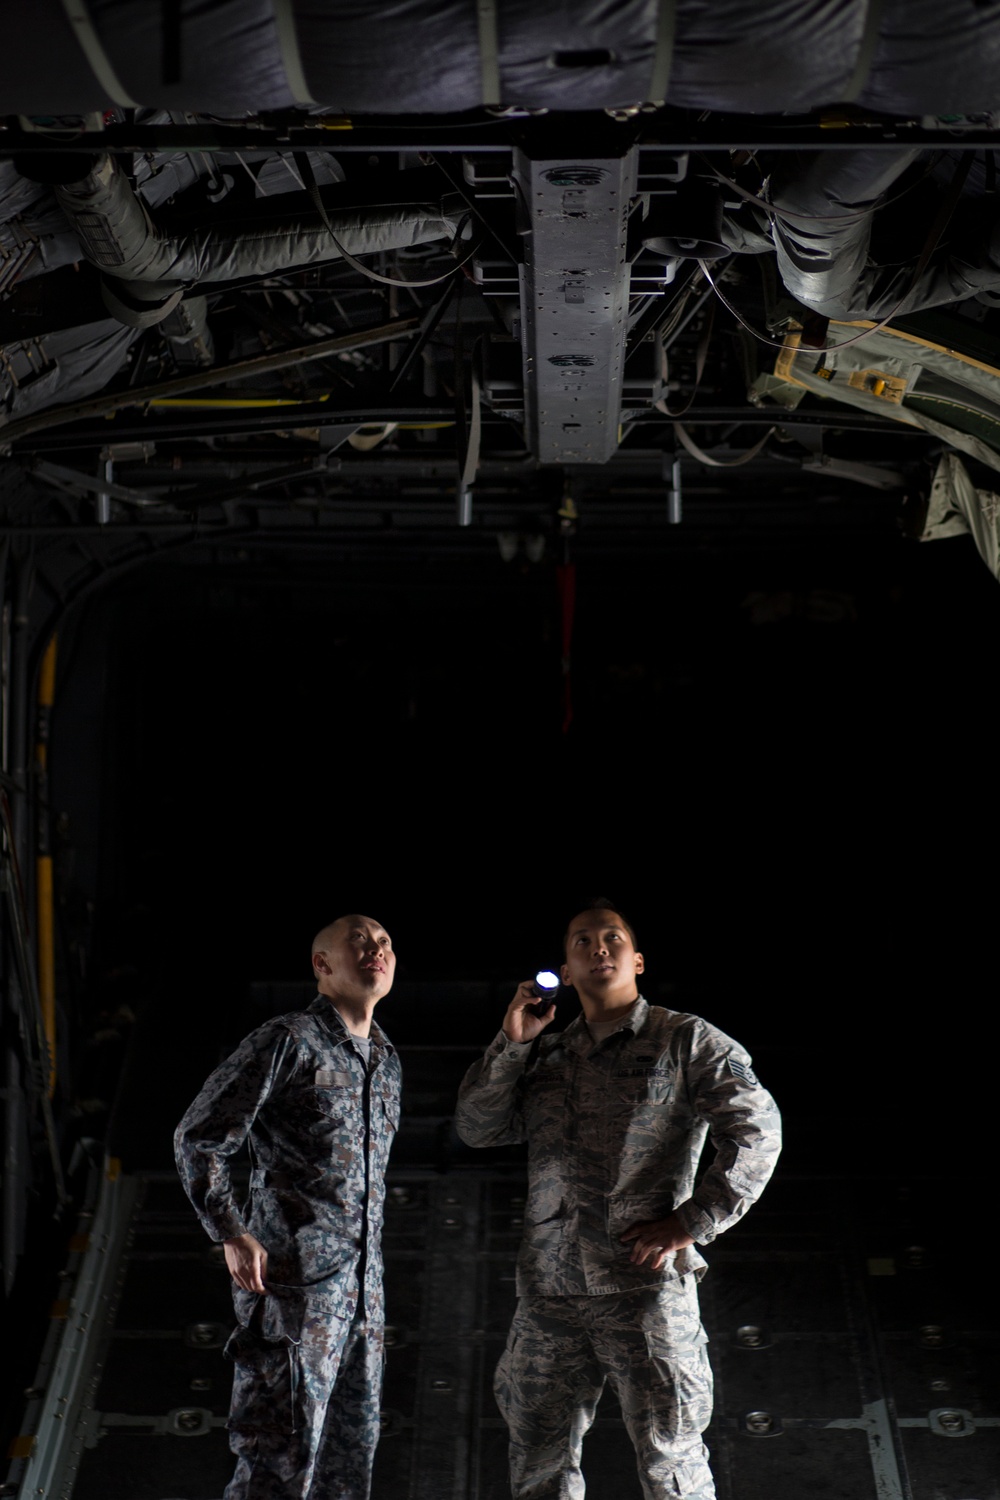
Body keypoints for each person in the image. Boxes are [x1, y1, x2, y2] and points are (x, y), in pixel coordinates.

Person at [454, 900, 781, 1500]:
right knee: (536, 1460)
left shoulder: (685, 1040)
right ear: (566, 969)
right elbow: (478, 1127)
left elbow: (757, 1131)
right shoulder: (546, 1054)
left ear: (637, 959)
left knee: (671, 1461)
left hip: (644, 1291)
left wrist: (691, 1221)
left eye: (612, 939)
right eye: (582, 942)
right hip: (550, 1294)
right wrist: (512, 1041)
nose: (597, 948)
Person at [174, 914, 401, 1500]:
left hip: (362, 1300)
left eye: (383, 944)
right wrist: (230, 1229)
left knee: (347, 1468)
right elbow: (199, 1136)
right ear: (322, 966)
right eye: (358, 943)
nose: (374, 951)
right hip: (295, 1295)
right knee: (276, 1462)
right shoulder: (289, 1039)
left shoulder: (385, 1059)